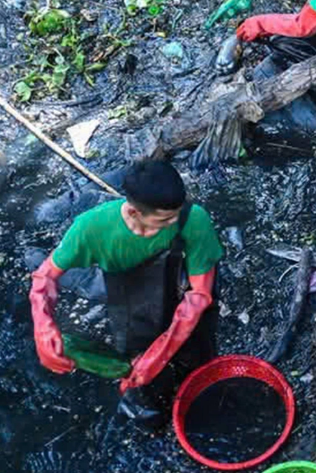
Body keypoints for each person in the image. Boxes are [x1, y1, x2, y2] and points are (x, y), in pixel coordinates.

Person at [29, 160, 224, 427]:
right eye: (164, 220)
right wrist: (43, 326)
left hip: (184, 290)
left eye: (177, 213)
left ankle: (203, 389)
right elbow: (45, 276)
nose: (176, 222)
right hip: (132, 300)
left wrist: (162, 352)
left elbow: (200, 293)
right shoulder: (90, 228)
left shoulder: (194, 219)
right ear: (133, 212)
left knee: (198, 351)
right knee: (138, 364)